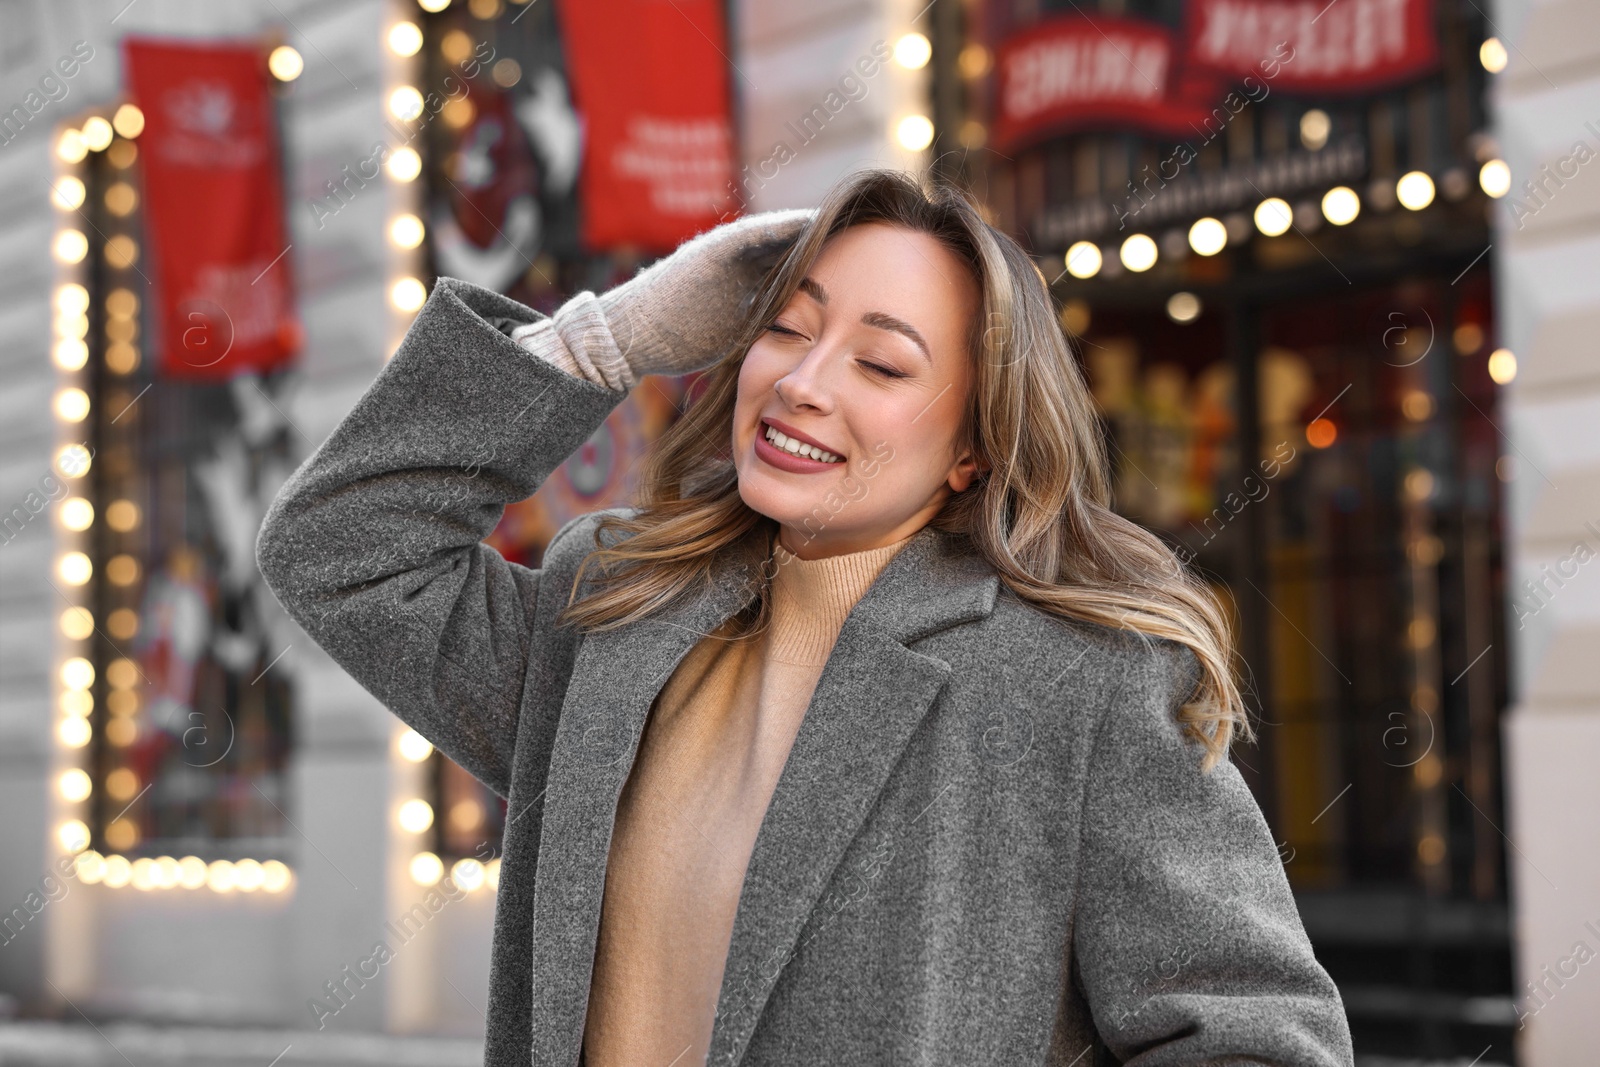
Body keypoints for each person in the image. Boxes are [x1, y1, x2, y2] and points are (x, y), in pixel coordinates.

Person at [257, 168, 1354, 1066]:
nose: (801, 383)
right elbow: (341, 545)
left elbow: (1261, 1040)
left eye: (881, 362)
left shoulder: (1073, 675)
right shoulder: (616, 610)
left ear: (973, 444)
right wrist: (616, 335)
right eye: (786, 329)